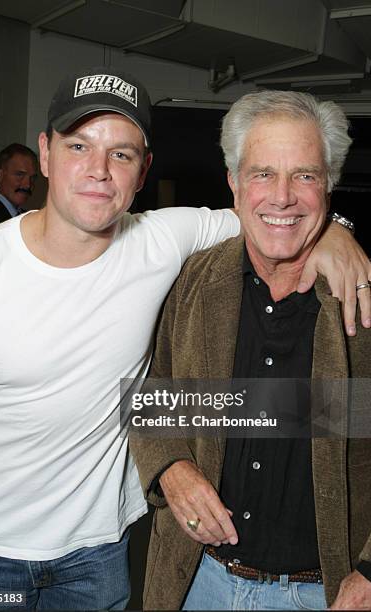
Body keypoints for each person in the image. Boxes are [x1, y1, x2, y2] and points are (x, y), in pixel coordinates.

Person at [0, 67, 369, 612]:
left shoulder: (162, 246)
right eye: (79, 144)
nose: (99, 171)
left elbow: (276, 215)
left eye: (122, 154)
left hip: (103, 554)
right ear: (46, 153)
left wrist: (335, 230)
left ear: (143, 168)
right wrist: (172, 467)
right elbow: (160, 394)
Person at [130, 91, 371, 610]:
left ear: (328, 188)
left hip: (323, 593)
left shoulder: (364, 297)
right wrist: (170, 466)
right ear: (234, 185)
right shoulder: (191, 280)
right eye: (262, 173)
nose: (282, 197)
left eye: (305, 175)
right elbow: (157, 392)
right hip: (199, 581)